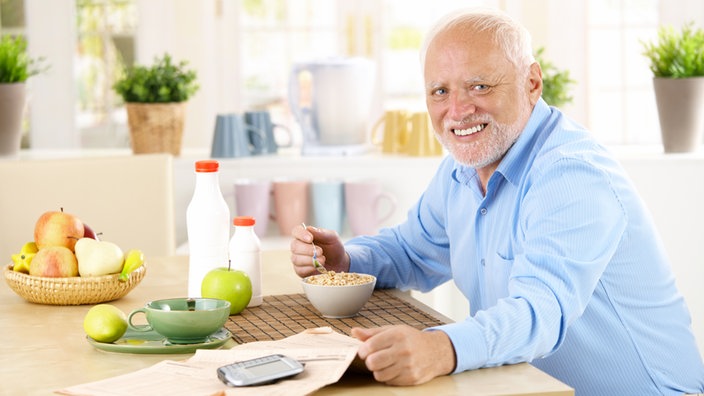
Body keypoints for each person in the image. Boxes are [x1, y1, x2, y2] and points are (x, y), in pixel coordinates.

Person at [289, 8, 704, 395]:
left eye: (479, 86)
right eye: (439, 91)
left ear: (532, 83)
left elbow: (540, 313)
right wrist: (347, 260)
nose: (457, 110)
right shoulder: (463, 168)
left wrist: (441, 349)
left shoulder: (571, 175)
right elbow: (412, 251)